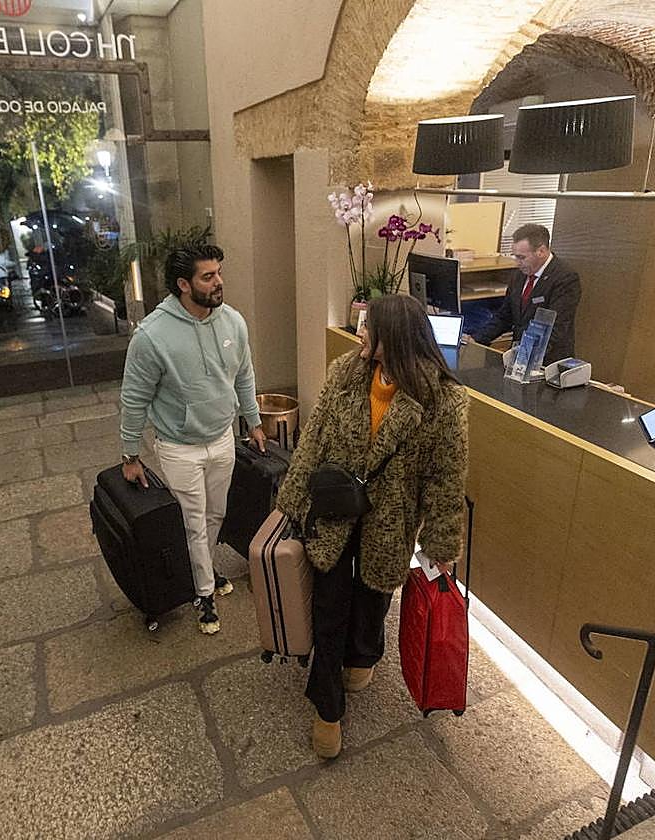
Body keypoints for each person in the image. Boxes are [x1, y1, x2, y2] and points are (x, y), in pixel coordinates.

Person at [276, 293, 469, 759]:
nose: (360, 333)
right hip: (335, 507)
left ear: (394, 337)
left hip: (391, 520)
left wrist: (441, 542)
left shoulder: (443, 400)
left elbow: (447, 476)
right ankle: (327, 707)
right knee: (330, 607)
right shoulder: (347, 372)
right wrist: (292, 499)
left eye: (368, 327)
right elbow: (314, 438)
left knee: (373, 597)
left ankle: (363, 653)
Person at [119, 244, 268, 635]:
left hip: (222, 438)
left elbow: (244, 374)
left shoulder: (232, 321)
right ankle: (203, 593)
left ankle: (202, 567)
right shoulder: (152, 336)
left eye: (219, 272)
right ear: (183, 284)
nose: (219, 282)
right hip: (178, 446)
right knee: (193, 524)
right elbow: (134, 398)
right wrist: (130, 455)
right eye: (208, 276)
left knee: (215, 515)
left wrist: (253, 421)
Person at [468, 223, 580, 363]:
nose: (517, 262)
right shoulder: (518, 275)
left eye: (521, 257)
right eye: (515, 257)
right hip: (519, 356)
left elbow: (556, 328)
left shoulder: (565, 278)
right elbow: (505, 316)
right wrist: (476, 339)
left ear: (541, 251)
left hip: (547, 359)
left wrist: (525, 356)